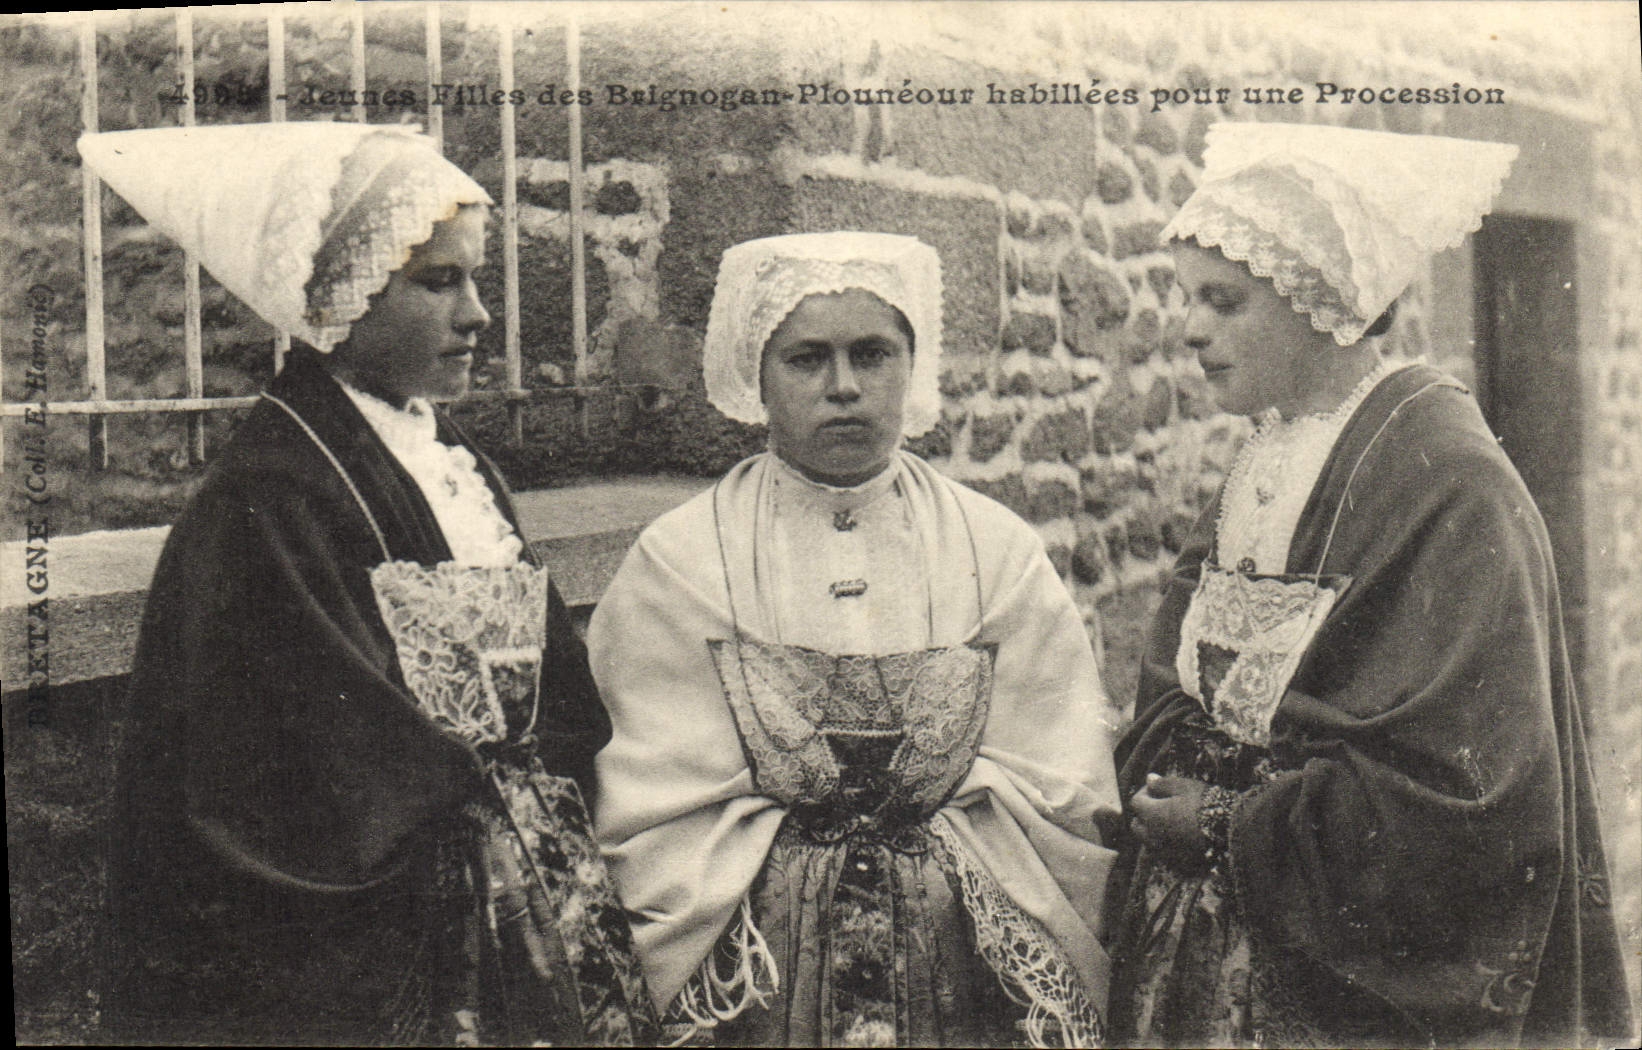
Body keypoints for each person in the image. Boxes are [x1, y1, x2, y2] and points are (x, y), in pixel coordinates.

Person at [83, 123, 653, 1046]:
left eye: (475, 278)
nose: (477, 315)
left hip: (532, 884)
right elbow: (299, 768)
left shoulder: (447, 456)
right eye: (438, 282)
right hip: (402, 923)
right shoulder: (272, 496)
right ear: (338, 299)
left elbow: (555, 681)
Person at [1104, 122, 1634, 1049]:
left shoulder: (1449, 478)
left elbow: (1475, 789)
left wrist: (1231, 824)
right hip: (1198, 945)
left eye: (1223, 302)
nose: (1188, 330)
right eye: (1187, 299)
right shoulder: (1266, 457)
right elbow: (1177, 683)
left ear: (1323, 301)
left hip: (1342, 981)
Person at [587, 231, 1120, 1047]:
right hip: (758, 962)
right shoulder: (682, 559)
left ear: (914, 364)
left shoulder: (996, 550)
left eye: (872, 355)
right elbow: (653, 792)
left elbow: (1059, 776)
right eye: (807, 359)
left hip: (960, 955)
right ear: (757, 376)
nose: (844, 387)